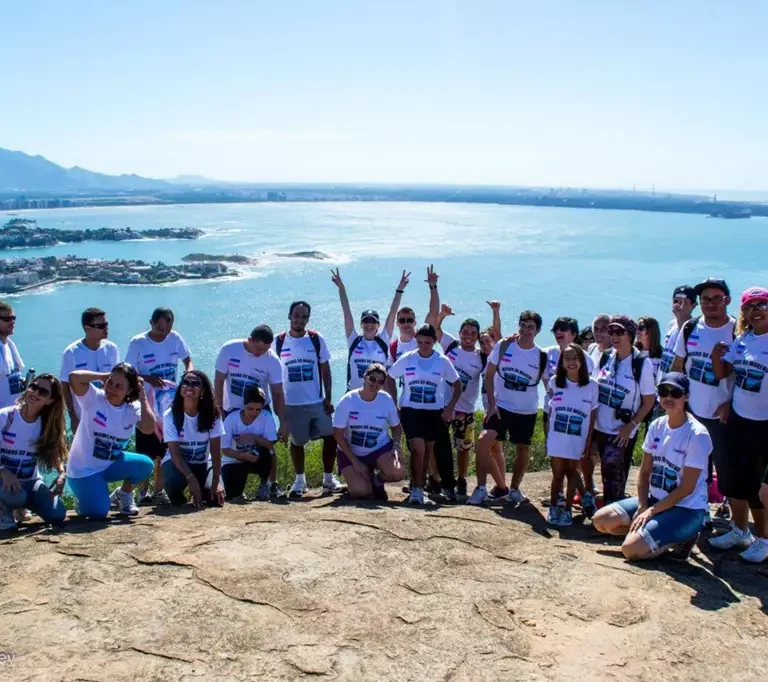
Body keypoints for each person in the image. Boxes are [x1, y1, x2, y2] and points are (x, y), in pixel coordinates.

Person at [593, 373, 712, 561]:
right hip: (656, 499)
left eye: (676, 393)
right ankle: (652, 534)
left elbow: (687, 488)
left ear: (686, 396)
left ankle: (681, 537)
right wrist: (642, 505)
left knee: (631, 550)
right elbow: (645, 471)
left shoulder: (697, 434)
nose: (669, 398)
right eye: (664, 392)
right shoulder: (657, 425)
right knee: (601, 521)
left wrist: (651, 511)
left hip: (686, 509)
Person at [709, 287, 768, 563]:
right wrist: (715, 357)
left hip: (764, 425)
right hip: (740, 420)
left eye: (762, 305)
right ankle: (741, 531)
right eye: (749, 307)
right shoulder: (744, 339)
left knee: (760, 488)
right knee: (740, 480)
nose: (755, 311)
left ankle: (764, 539)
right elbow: (727, 373)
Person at [468, 310, 547, 506]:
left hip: (526, 410)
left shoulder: (541, 355)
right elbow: (489, 375)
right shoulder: (504, 346)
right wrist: (492, 404)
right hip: (501, 406)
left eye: (531, 327)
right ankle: (480, 488)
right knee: (484, 439)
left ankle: (514, 489)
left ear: (537, 330)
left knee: (523, 448)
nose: (526, 330)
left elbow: (549, 385)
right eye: (523, 325)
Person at [671, 278, 736, 519]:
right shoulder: (690, 327)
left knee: (725, 463)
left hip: (723, 412)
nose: (710, 304)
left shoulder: (737, 330)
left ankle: (729, 507)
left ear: (727, 300)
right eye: (705, 299)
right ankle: (700, 510)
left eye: (716, 298)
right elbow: (679, 364)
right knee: (696, 465)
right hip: (693, 411)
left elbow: (744, 372)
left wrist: (731, 403)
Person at [66, 364, 155, 518]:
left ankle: (123, 494)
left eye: (119, 386)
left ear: (129, 390)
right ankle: (83, 500)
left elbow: (148, 428)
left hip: (109, 465)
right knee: (99, 512)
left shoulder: (132, 408)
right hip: (83, 471)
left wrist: (143, 397)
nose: (112, 389)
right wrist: (101, 376)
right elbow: (73, 377)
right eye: (110, 383)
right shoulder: (94, 398)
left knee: (145, 465)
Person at [273, 301, 344, 497]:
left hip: (316, 401)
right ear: (289, 316)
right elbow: (272, 375)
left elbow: (325, 369)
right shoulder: (278, 341)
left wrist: (328, 397)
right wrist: (277, 406)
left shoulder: (315, 339)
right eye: (296, 315)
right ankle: (299, 480)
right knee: (297, 442)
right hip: (292, 404)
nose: (300, 320)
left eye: (304, 316)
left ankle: (328, 479)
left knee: (330, 436)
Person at [125, 307, 193, 505]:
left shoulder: (175, 339)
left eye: (168, 327)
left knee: (166, 449)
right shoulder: (138, 343)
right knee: (146, 450)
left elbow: (188, 360)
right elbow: (128, 373)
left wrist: (189, 374)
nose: (165, 332)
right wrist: (148, 378)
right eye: (160, 328)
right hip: (146, 405)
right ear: (152, 323)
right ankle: (142, 491)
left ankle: (158, 490)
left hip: (170, 405)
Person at [388, 324, 460, 505]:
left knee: (427, 452)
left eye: (427, 342)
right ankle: (416, 490)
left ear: (434, 342)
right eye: (419, 342)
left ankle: (422, 487)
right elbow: (390, 377)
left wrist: (450, 408)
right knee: (417, 449)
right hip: (410, 411)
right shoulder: (407, 358)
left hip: (434, 412)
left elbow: (457, 384)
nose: (423, 346)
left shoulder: (441, 360)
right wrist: (393, 402)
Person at [433, 303, 495, 499]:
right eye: (465, 332)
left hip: (466, 409)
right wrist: (442, 314)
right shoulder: (450, 346)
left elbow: (497, 349)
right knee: (440, 446)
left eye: (473, 333)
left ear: (477, 337)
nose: (468, 336)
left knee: (463, 448)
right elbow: (436, 330)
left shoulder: (481, 357)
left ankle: (461, 480)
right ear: (459, 333)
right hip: (443, 406)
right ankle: (441, 481)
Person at [215, 324, 286, 496]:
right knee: (233, 448)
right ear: (250, 340)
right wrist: (218, 408)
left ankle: (270, 483)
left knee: (267, 446)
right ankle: (228, 484)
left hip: (259, 405)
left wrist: (283, 421)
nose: (260, 353)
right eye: (258, 348)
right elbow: (218, 380)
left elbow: (277, 393)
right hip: (232, 407)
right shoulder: (229, 349)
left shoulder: (272, 360)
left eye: (265, 349)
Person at [592, 315, 656, 504]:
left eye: (619, 332)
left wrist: (630, 427)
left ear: (630, 334)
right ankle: (605, 517)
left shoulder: (641, 364)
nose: (613, 336)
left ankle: (611, 523)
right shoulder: (605, 357)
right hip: (599, 427)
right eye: (610, 331)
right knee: (603, 473)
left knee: (614, 478)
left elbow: (649, 401)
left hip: (621, 431)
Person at [0, 374, 68, 530]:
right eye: (33, 387)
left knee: (57, 514)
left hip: (29, 481)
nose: (35, 393)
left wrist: (61, 473)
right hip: (3, 478)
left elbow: (54, 452)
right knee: (15, 497)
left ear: (50, 400)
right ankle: (4, 510)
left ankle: (20, 505)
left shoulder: (47, 424)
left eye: (43, 392)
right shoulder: (6, 417)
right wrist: (3, 470)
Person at [333, 363, 405, 499]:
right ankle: (361, 481)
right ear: (364, 377)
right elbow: (337, 434)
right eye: (372, 379)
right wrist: (355, 461)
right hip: (352, 451)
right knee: (360, 491)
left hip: (378, 448)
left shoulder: (386, 400)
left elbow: (396, 427)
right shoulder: (348, 400)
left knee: (398, 473)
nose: (375, 384)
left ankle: (377, 480)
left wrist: (396, 446)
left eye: (380, 382)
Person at [545, 344, 599, 526]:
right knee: (557, 474)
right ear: (561, 362)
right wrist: (548, 436)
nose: (571, 362)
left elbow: (592, 416)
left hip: (578, 438)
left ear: (582, 361)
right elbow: (550, 411)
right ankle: (554, 508)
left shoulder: (592, 386)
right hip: (557, 437)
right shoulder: (554, 382)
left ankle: (567, 509)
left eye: (575, 357)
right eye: (567, 358)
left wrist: (589, 441)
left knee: (572, 471)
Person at [331, 268, 410, 390]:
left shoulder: (383, 340)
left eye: (373, 322)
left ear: (378, 325)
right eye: (366, 321)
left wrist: (400, 290)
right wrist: (341, 287)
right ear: (361, 325)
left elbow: (393, 313)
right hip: (354, 395)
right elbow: (346, 311)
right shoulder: (353, 340)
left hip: (378, 396)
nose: (369, 325)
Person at [161, 370, 225, 508]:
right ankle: (176, 498)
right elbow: (175, 456)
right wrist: (191, 479)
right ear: (180, 389)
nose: (189, 386)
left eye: (195, 384)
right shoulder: (170, 416)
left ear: (203, 391)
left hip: (202, 464)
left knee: (214, 497)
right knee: (173, 481)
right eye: (185, 383)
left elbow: (215, 452)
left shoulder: (212, 415)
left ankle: (204, 490)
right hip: (177, 464)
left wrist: (216, 481)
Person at [60, 307, 120, 434]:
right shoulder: (71, 352)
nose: (106, 328)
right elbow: (65, 386)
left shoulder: (112, 348)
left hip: (108, 414)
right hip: (83, 415)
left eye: (106, 324)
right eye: (101, 325)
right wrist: (72, 416)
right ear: (87, 328)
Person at [221, 386, 276, 502]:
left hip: (256, 459)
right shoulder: (231, 419)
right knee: (232, 496)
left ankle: (265, 484)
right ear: (244, 405)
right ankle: (238, 492)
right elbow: (225, 450)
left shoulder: (266, 417)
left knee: (267, 454)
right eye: (250, 409)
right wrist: (244, 456)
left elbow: (270, 445)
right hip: (234, 461)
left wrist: (253, 437)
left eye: (258, 410)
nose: (254, 413)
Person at [659, 285, 697, 378]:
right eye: (675, 301)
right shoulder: (671, 324)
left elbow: (684, 341)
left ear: (694, 305)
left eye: (683, 302)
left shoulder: (695, 328)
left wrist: (681, 317)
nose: (678, 305)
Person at [0, 301, 25, 409]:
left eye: (13, 318)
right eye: (7, 319)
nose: (12, 322)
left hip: (12, 413)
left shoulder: (9, 345)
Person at [635, 317, 663, 383]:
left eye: (640, 327)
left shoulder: (662, 356)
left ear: (651, 331)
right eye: (636, 327)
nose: (637, 331)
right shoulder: (632, 352)